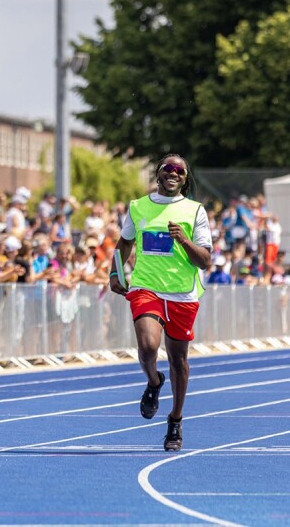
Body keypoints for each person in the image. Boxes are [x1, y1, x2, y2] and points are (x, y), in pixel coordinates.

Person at [109, 154, 212, 452]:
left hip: (182, 294)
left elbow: (204, 261)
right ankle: (154, 381)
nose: (173, 173)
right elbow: (124, 241)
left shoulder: (195, 211)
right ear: (158, 173)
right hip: (146, 287)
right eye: (168, 168)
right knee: (148, 347)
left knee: (179, 361)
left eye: (180, 170)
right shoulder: (138, 206)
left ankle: (175, 420)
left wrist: (184, 240)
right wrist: (115, 271)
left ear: (185, 178)